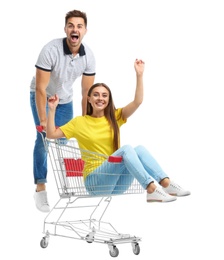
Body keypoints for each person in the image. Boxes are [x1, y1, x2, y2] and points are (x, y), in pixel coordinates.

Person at [46, 59, 190, 204]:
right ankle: (151, 188)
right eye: (96, 95)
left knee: (138, 149)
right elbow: (51, 134)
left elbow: (137, 102)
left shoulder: (114, 117)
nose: (100, 98)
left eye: (104, 95)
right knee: (126, 149)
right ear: (88, 99)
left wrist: (139, 75)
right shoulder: (79, 122)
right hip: (95, 182)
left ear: (108, 100)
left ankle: (166, 183)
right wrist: (52, 110)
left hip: (116, 183)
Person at [30, 9, 96, 212]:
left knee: (64, 141)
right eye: (71, 25)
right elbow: (41, 88)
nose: (75, 29)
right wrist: (43, 118)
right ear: (66, 29)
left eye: (79, 26)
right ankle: (41, 187)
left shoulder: (89, 57)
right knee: (44, 140)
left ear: (85, 30)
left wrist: (87, 121)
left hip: (66, 101)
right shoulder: (51, 50)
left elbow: (86, 93)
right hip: (42, 96)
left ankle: (67, 185)